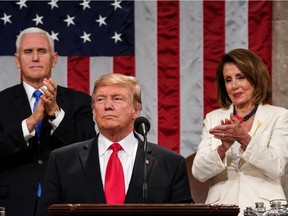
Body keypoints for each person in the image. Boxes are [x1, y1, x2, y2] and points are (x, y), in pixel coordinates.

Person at [36, 73, 193, 216]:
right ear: (93, 109)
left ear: (136, 110)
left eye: (117, 99)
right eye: (100, 99)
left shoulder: (170, 163)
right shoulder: (63, 160)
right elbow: (46, 213)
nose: (107, 105)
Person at [0, 27, 96, 216]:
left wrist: (55, 113)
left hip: (64, 204)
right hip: (12, 205)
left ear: (54, 58)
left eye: (42, 51)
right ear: (17, 60)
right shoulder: (1, 102)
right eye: (28, 52)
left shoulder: (80, 101)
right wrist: (30, 123)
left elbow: (89, 149)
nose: (35, 57)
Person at [192, 48, 288, 213]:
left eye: (240, 77)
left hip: (264, 209)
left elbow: (276, 166)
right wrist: (223, 148)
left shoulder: (279, 116)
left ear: (255, 78)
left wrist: (244, 139)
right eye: (228, 80)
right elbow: (199, 172)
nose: (234, 85)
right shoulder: (213, 118)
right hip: (221, 208)